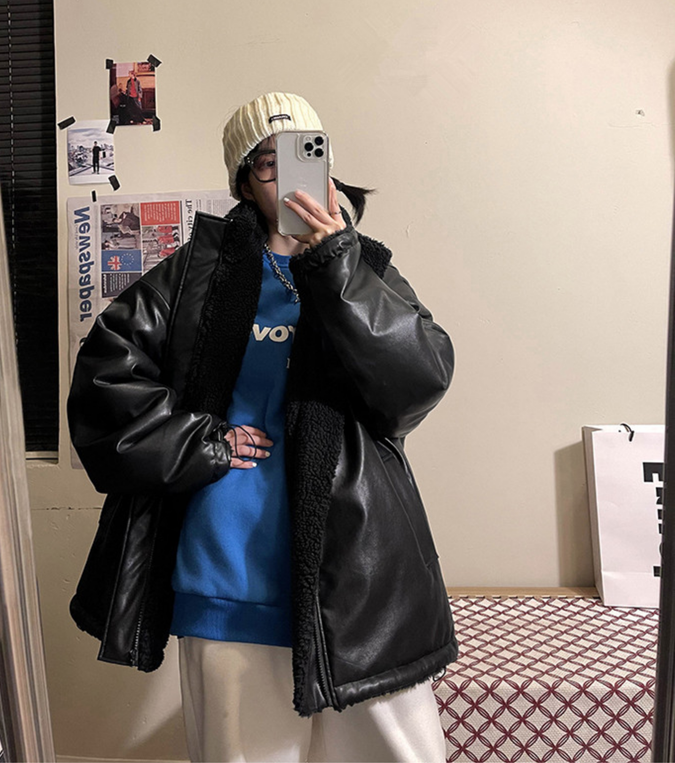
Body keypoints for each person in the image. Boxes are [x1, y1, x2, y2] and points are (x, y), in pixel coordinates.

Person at [67, 92, 459, 762]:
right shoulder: (194, 275)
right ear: (244, 182)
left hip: (360, 587)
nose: (291, 175)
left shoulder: (368, 270)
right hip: (226, 582)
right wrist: (201, 441)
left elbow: (417, 385)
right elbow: (103, 389)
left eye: (308, 153)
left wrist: (335, 261)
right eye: (269, 162)